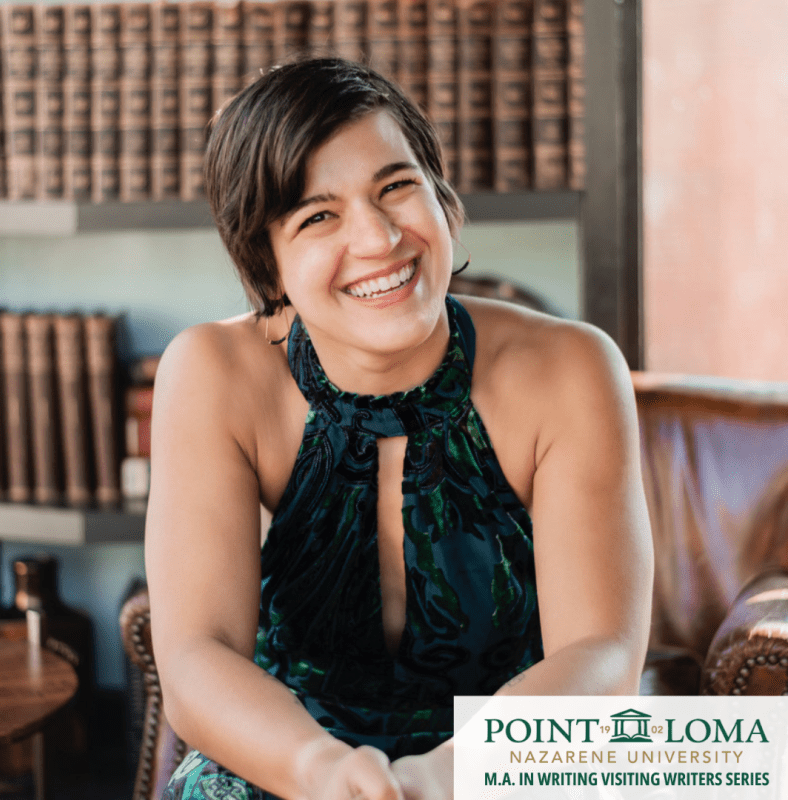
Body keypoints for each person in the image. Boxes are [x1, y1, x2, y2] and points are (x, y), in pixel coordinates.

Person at [145, 57, 654, 800]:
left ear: (443, 200)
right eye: (319, 216)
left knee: (713, 765)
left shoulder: (573, 366)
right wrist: (324, 772)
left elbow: (602, 652)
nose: (380, 238)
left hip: (515, 755)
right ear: (267, 258)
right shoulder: (209, 372)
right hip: (294, 752)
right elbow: (197, 655)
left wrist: (440, 778)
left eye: (397, 187)